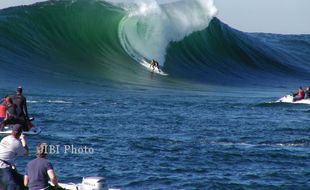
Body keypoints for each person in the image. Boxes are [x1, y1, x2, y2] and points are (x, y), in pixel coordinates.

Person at [0, 124, 29, 190]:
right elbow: (26, 153)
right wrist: (23, 140)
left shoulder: (5, 138)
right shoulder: (16, 143)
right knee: (12, 184)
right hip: (3, 166)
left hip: (5, 164)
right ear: (20, 133)